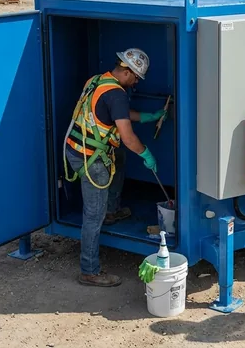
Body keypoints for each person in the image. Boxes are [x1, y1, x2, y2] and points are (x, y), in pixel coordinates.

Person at [63, 48, 167, 288]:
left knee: (118, 155)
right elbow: (128, 138)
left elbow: (117, 113)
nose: (136, 83)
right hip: (91, 160)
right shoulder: (117, 94)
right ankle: (89, 271)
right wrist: (146, 153)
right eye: (136, 78)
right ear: (127, 72)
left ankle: (111, 211)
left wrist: (148, 116)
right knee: (93, 215)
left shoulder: (98, 81)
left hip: (76, 148)